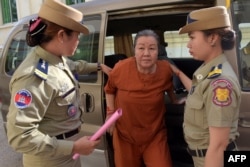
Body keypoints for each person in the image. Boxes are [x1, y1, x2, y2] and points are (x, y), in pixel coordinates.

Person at [6, 0, 111, 166]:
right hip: (50, 160)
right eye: (77, 36)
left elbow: (73, 66)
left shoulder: (55, 59)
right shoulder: (33, 77)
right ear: (62, 35)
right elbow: (20, 137)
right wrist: (73, 146)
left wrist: (99, 66)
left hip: (66, 153)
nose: (78, 41)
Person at [170, 6, 241, 167]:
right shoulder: (208, 70)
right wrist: (179, 73)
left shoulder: (220, 84)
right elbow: (199, 90)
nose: (188, 44)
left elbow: (217, 147)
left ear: (212, 38)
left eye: (192, 37)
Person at [104, 29, 178, 167]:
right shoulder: (121, 68)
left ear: (158, 51)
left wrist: (175, 100)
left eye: (152, 48)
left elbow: (169, 87)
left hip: (154, 134)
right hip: (125, 135)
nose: (146, 54)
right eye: (141, 48)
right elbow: (109, 90)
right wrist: (110, 113)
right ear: (134, 50)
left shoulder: (165, 69)